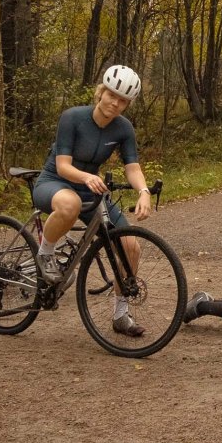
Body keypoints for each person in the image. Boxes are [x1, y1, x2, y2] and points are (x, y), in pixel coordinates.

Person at [31, 64, 152, 337]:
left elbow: (132, 167)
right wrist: (86, 177)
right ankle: (45, 252)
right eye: (112, 95)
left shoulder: (123, 129)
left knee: (131, 247)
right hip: (54, 183)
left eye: (123, 100)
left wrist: (143, 191)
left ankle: (121, 315)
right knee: (70, 204)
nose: (115, 103)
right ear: (101, 92)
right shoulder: (72, 118)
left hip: (90, 189)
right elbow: (62, 166)